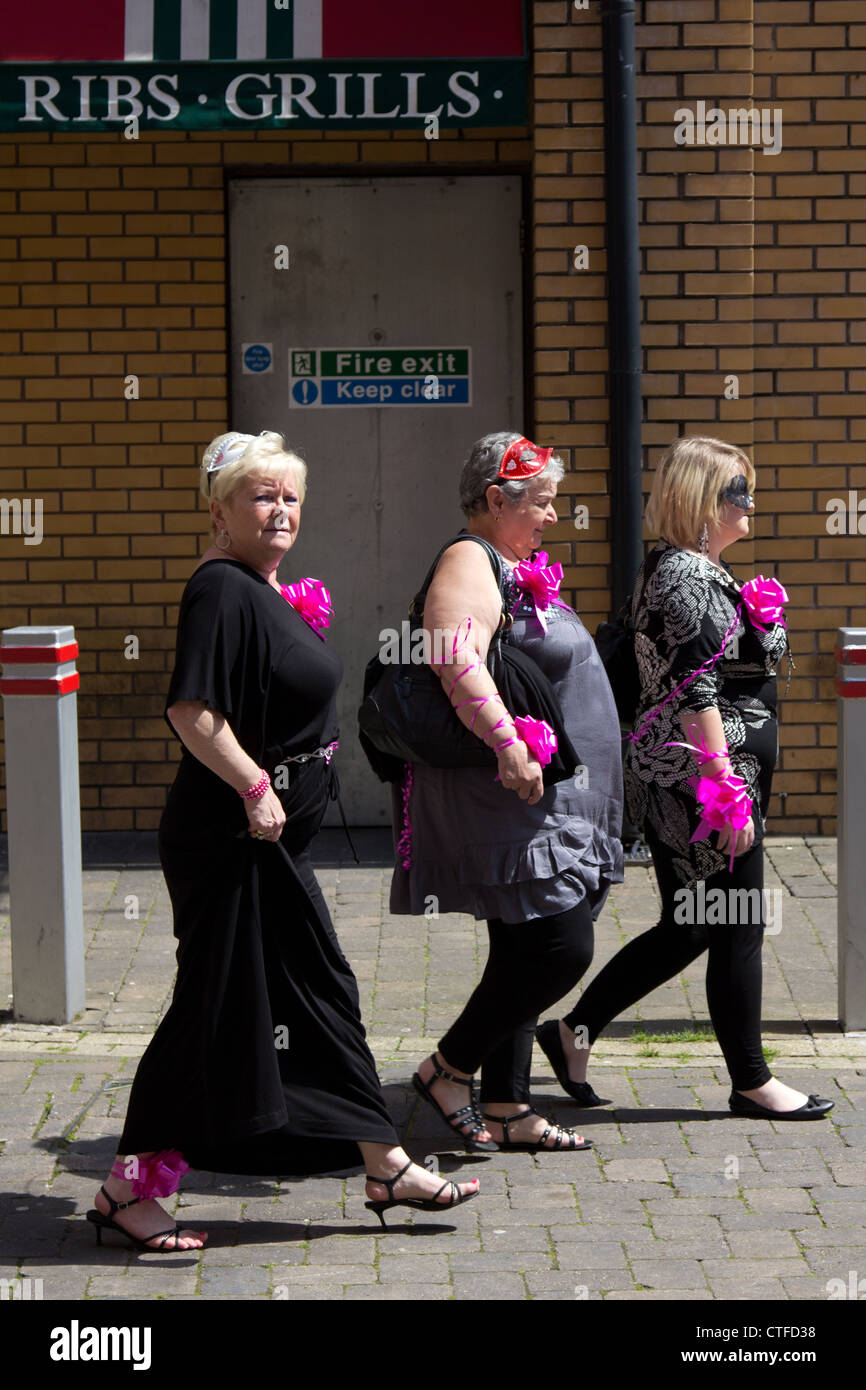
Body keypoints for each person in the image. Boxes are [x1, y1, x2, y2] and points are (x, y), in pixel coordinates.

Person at [86, 429, 479, 1251]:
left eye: (291, 495)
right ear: (220, 508)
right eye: (262, 495)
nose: (281, 509)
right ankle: (127, 1189)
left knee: (317, 993)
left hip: (267, 843)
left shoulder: (259, 589)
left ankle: (386, 1163)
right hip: (229, 840)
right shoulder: (222, 590)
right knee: (216, 1007)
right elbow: (191, 712)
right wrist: (257, 786)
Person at [538, 435, 833, 1121]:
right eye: (739, 491)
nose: (751, 502)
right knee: (736, 919)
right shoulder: (684, 579)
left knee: (693, 921)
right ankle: (753, 1081)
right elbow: (693, 693)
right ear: (702, 499)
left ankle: (571, 1033)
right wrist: (725, 790)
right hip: (699, 784)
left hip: (700, 776)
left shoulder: (693, 571)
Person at [390, 432, 624, 1153]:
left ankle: (506, 1105)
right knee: (560, 947)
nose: (554, 517)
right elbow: (453, 651)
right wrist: (507, 742)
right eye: (543, 503)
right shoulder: (469, 557)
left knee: (524, 946)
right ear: (497, 500)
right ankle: (447, 1068)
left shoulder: (506, 563)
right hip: (514, 799)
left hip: (549, 802)